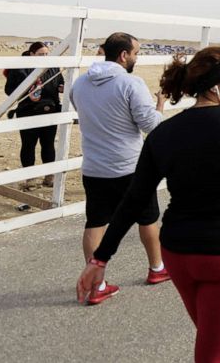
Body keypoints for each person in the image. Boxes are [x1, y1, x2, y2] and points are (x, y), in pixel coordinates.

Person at [77, 46, 220, 363]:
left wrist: (100, 259)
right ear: (216, 85)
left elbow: (134, 200)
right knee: (216, 352)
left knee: (215, 340)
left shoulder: (164, 132)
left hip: (179, 255)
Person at [69, 32, 168, 301]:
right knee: (147, 217)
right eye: (136, 53)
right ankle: (157, 268)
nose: (136, 58)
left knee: (96, 222)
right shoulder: (130, 83)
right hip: (129, 166)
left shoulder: (79, 85)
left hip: (94, 166)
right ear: (124, 55)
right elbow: (150, 125)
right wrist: (160, 105)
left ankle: (96, 285)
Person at [4, 41, 64, 186]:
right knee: (28, 145)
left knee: (48, 144)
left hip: (50, 111)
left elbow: (60, 82)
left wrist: (62, 87)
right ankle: (30, 178)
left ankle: (49, 177)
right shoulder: (20, 68)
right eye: (40, 54)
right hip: (28, 111)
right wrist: (26, 93)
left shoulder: (53, 66)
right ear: (31, 54)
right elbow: (9, 90)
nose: (44, 57)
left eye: (46, 54)